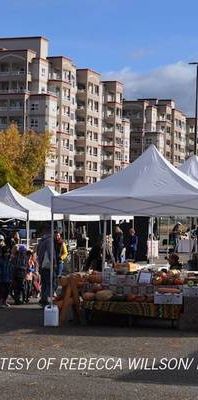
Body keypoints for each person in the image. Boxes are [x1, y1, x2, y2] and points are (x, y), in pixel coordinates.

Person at [37, 224, 56, 306]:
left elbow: (38, 252)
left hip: (42, 264)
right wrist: (54, 262)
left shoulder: (41, 241)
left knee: (44, 283)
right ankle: (45, 297)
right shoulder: (49, 240)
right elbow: (50, 253)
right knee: (51, 282)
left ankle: (43, 298)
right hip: (48, 265)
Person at [0, 235, 13, 308]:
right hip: (2, 278)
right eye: (6, 252)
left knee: (7, 291)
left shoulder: (9, 261)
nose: (7, 254)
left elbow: (11, 269)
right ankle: (2, 302)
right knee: (2, 291)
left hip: (8, 278)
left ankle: (4, 301)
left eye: (8, 252)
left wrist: (11, 277)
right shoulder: (1, 260)